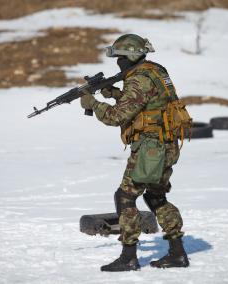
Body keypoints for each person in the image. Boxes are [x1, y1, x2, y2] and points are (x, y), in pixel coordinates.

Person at [80, 34, 191, 272]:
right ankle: (178, 253)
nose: (118, 63)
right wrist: (115, 94)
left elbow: (116, 117)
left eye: (120, 58)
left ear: (129, 56)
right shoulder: (154, 70)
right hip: (167, 145)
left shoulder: (138, 79)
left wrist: (93, 104)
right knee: (155, 197)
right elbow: (148, 103)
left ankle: (129, 256)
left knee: (125, 197)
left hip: (151, 148)